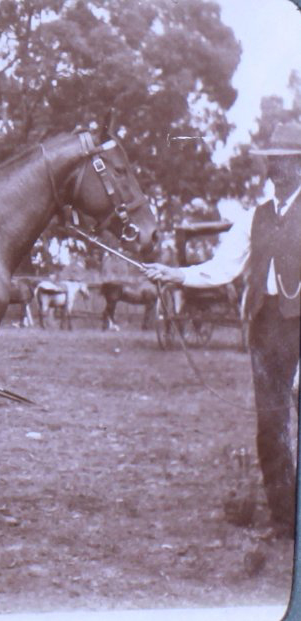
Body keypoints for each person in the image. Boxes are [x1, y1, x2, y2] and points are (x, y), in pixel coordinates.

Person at [144, 121, 301, 539]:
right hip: (266, 329)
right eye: (272, 162)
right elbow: (223, 267)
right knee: (270, 426)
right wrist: (175, 274)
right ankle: (283, 520)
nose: (276, 169)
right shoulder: (255, 218)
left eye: (286, 161)